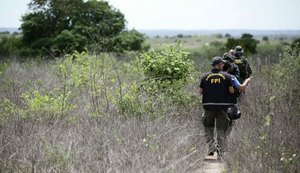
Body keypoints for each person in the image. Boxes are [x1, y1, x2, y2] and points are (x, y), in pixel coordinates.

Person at [198, 56, 234, 159]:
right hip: (223, 107)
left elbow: (200, 92)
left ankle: (211, 147)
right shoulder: (227, 76)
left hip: (208, 106)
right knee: (221, 128)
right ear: (218, 65)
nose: (223, 65)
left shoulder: (205, 76)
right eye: (222, 64)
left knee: (208, 126)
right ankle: (220, 151)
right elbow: (231, 91)